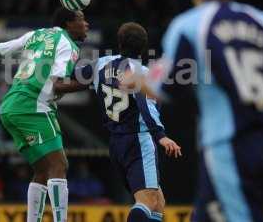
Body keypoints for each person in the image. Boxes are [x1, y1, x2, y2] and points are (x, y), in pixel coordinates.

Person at [121, 0, 263, 222]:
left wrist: (136, 79)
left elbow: (165, 86)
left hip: (229, 145)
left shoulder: (190, 25)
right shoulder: (262, 21)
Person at [55, 22, 182, 222]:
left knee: (158, 202)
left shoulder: (101, 64)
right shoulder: (141, 72)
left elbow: (73, 73)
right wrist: (161, 136)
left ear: (119, 42)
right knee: (147, 202)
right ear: (143, 46)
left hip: (116, 143)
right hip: (139, 141)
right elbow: (144, 104)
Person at [0, 7, 89, 222]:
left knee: (43, 170)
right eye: (82, 19)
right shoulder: (68, 44)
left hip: (10, 106)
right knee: (59, 165)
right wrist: (85, 84)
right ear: (68, 23)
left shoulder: (37, 34)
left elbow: (2, 48)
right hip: (33, 107)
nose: (86, 24)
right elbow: (58, 85)